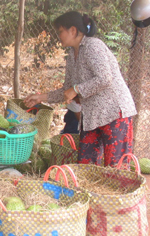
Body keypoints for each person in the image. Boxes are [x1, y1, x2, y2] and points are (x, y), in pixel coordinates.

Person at [24, 11, 137, 167]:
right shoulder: (72, 55)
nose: (59, 35)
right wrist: (40, 98)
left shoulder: (93, 46)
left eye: (61, 31)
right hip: (92, 116)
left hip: (114, 112)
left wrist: (76, 89)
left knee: (115, 167)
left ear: (73, 30)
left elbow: (105, 79)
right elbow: (67, 90)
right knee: (85, 165)